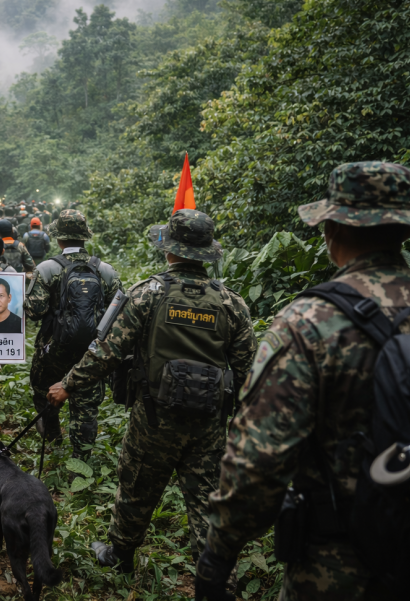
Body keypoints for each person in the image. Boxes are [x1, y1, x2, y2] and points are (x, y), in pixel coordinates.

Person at [194, 162, 410, 601]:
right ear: (405, 230)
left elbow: (258, 463)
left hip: (340, 569)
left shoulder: (308, 322)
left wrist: (217, 556)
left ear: (332, 230)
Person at [47, 209, 256, 574]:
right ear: (208, 253)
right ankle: (215, 575)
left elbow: (106, 351)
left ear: (169, 250)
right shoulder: (231, 302)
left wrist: (68, 384)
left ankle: (120, 556)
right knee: (207, 498)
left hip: (155, 414)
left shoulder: (148, 294)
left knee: (137, 485)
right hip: (209, 418)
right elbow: (247, 370)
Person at [25, 209, 121, 460]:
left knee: (42, 390)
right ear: (85, 237)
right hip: (91, 352)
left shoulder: (46, 269)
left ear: (58, 238)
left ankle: (53, 436)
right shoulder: (106, 271)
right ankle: (81, 462)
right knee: (86, 407)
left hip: (53, 350)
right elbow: (118, 314)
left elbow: (34, 312)